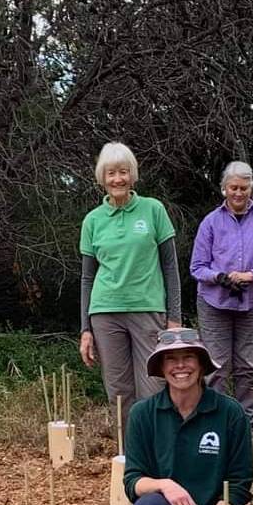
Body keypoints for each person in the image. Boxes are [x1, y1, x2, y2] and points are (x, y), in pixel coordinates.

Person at [124, 328, 253, 505]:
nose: (180, 366)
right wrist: (165, 485)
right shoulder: (142, 414)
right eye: (171, 359)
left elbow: (240, 486)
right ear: (160, 367)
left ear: (202, 364)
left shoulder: (230, 414)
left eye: (188, 357)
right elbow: (133, 481)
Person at [78, 142, 183, 425]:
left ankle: (158, 451)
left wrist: (174, 318)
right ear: (103, 178)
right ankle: (129, 456)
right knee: (119, 391)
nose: (118, 179)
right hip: (105, 313)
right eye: (111, 173)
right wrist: (85, 329)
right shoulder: (92, 221)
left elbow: (170, 267)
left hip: (147, 309)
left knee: (153, 387)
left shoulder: (153, 210)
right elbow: (87, 278)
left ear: (132, 175)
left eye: (123, 172)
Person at [189, 161, 253, 420]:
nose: (238, 193)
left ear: (251, 188)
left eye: (244, 188)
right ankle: (213, 419)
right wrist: (219, 277)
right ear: (224, 189)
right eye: (233, 187)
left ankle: (247, 420)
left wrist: (251, 276)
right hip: (214, 303)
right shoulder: (210, 223)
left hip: (252, 302)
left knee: (246, 365)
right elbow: (197, 267)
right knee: (216, 366)